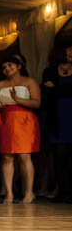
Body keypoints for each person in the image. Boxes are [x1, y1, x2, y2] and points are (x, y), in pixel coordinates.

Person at [0, 55, 41, 203]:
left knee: (24, 157)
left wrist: (17, 100)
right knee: (6, 157)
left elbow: (37, 103)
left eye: (10, 65)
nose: (7, 68)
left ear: (19, 66)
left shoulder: (29, 81)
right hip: (5, 120)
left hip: (24, 120)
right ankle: (9, 193)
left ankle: (28, 192)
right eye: (4, 67)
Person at [42, 43, 72, 202]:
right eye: (69, 49)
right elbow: (46, 93)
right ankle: (63, 191)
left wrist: (56, 90)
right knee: (59, 157)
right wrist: (59, 91)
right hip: (57, 118)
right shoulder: (50, 71)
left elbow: (53, 91)